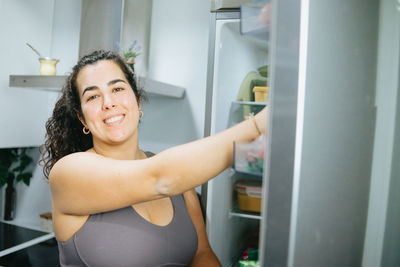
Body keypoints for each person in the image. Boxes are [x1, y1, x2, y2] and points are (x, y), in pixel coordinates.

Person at [41, 50, 268, 267]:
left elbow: (201, 254)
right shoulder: (68, 172)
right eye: (92, 96)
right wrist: (260, 124)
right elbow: (160, 178)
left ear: (138, 102)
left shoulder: (180, 182)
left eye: (118, 89)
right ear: (82, 119)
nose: (108, 103)